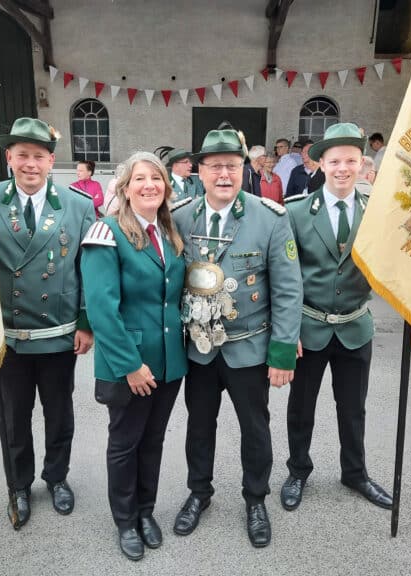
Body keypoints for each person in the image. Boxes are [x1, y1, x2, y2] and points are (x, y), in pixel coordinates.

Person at [172, 125, 302, 548]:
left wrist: (282, 352)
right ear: (200, 172)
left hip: (249, 346)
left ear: (245, 169)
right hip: (199, 350)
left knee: (255, 429)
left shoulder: (270, 217)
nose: (224, 174)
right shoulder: (180, 217)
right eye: (215, 166)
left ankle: (255, 499)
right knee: (199, 426)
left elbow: (288, 289)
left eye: (232, 165)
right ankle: (199, 493)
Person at [0, 117, 95, 530]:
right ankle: (18, 485)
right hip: (6, 335)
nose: (30, 164)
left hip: (58, 334)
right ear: (9, 158)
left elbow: (89, 268)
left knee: (59, 413)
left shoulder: (78, 205)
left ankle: (57, 477)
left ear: (51, 161)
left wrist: (86, 322)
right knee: (14, 416)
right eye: (22, 155)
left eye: (39, 156)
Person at [281, 123, 393, 513]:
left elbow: (390, 263)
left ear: (362, 164)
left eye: (350, 160)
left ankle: (355, 473)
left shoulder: (377, 211)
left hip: (355, 326)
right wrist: (287, 330)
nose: (343, 168)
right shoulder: (296, 212)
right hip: (309, 327)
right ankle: (298, 470)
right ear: (321, 164)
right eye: (334, 161)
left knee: (353, 408)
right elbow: (285, 278)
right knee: (301, 408)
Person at [81, 151, 187, 561]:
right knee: (126, 443)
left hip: (167, 362)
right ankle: (125, 521)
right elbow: (102, 310)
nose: (149, 186)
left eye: (156, 179)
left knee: (153, 440)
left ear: (166, 187)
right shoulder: (107, 232)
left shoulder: (169, 232)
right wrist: (130, 366)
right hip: (130, 363)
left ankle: (145, 511)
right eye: (140, 179)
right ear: (125, 188)